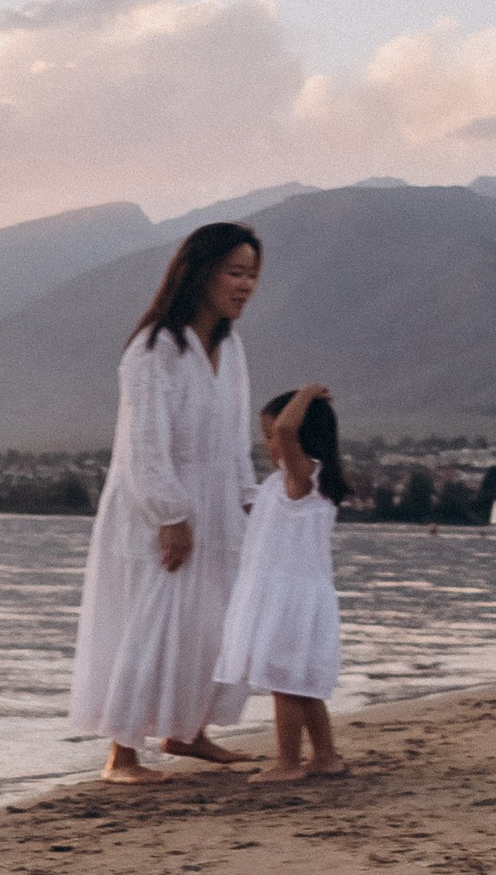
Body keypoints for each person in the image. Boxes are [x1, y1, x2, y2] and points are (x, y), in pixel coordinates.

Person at [68, 222, 264, 784]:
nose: (246, 285)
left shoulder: (229, 347)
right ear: (199, 272)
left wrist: (248, 499)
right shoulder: (154, 349)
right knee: (150, 618)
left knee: (209, 621)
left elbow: (234, 436)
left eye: (252, 274)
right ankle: (121, 753)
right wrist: (169, 515)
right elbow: (142, 445)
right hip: (158, 503)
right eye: (235, 272)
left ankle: (188, 731)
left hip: (218, 499)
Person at [217, 383, 349, 783]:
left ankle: (288, 763)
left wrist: (306, 394)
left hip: (288, 597)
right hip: (295, 593)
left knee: (284, 683)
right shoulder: (281, 483)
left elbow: (290, 431)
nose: (269, 444)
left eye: (271, 435)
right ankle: (325, 756)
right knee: (302, 683)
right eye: (265, 436)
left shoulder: (303, 476)